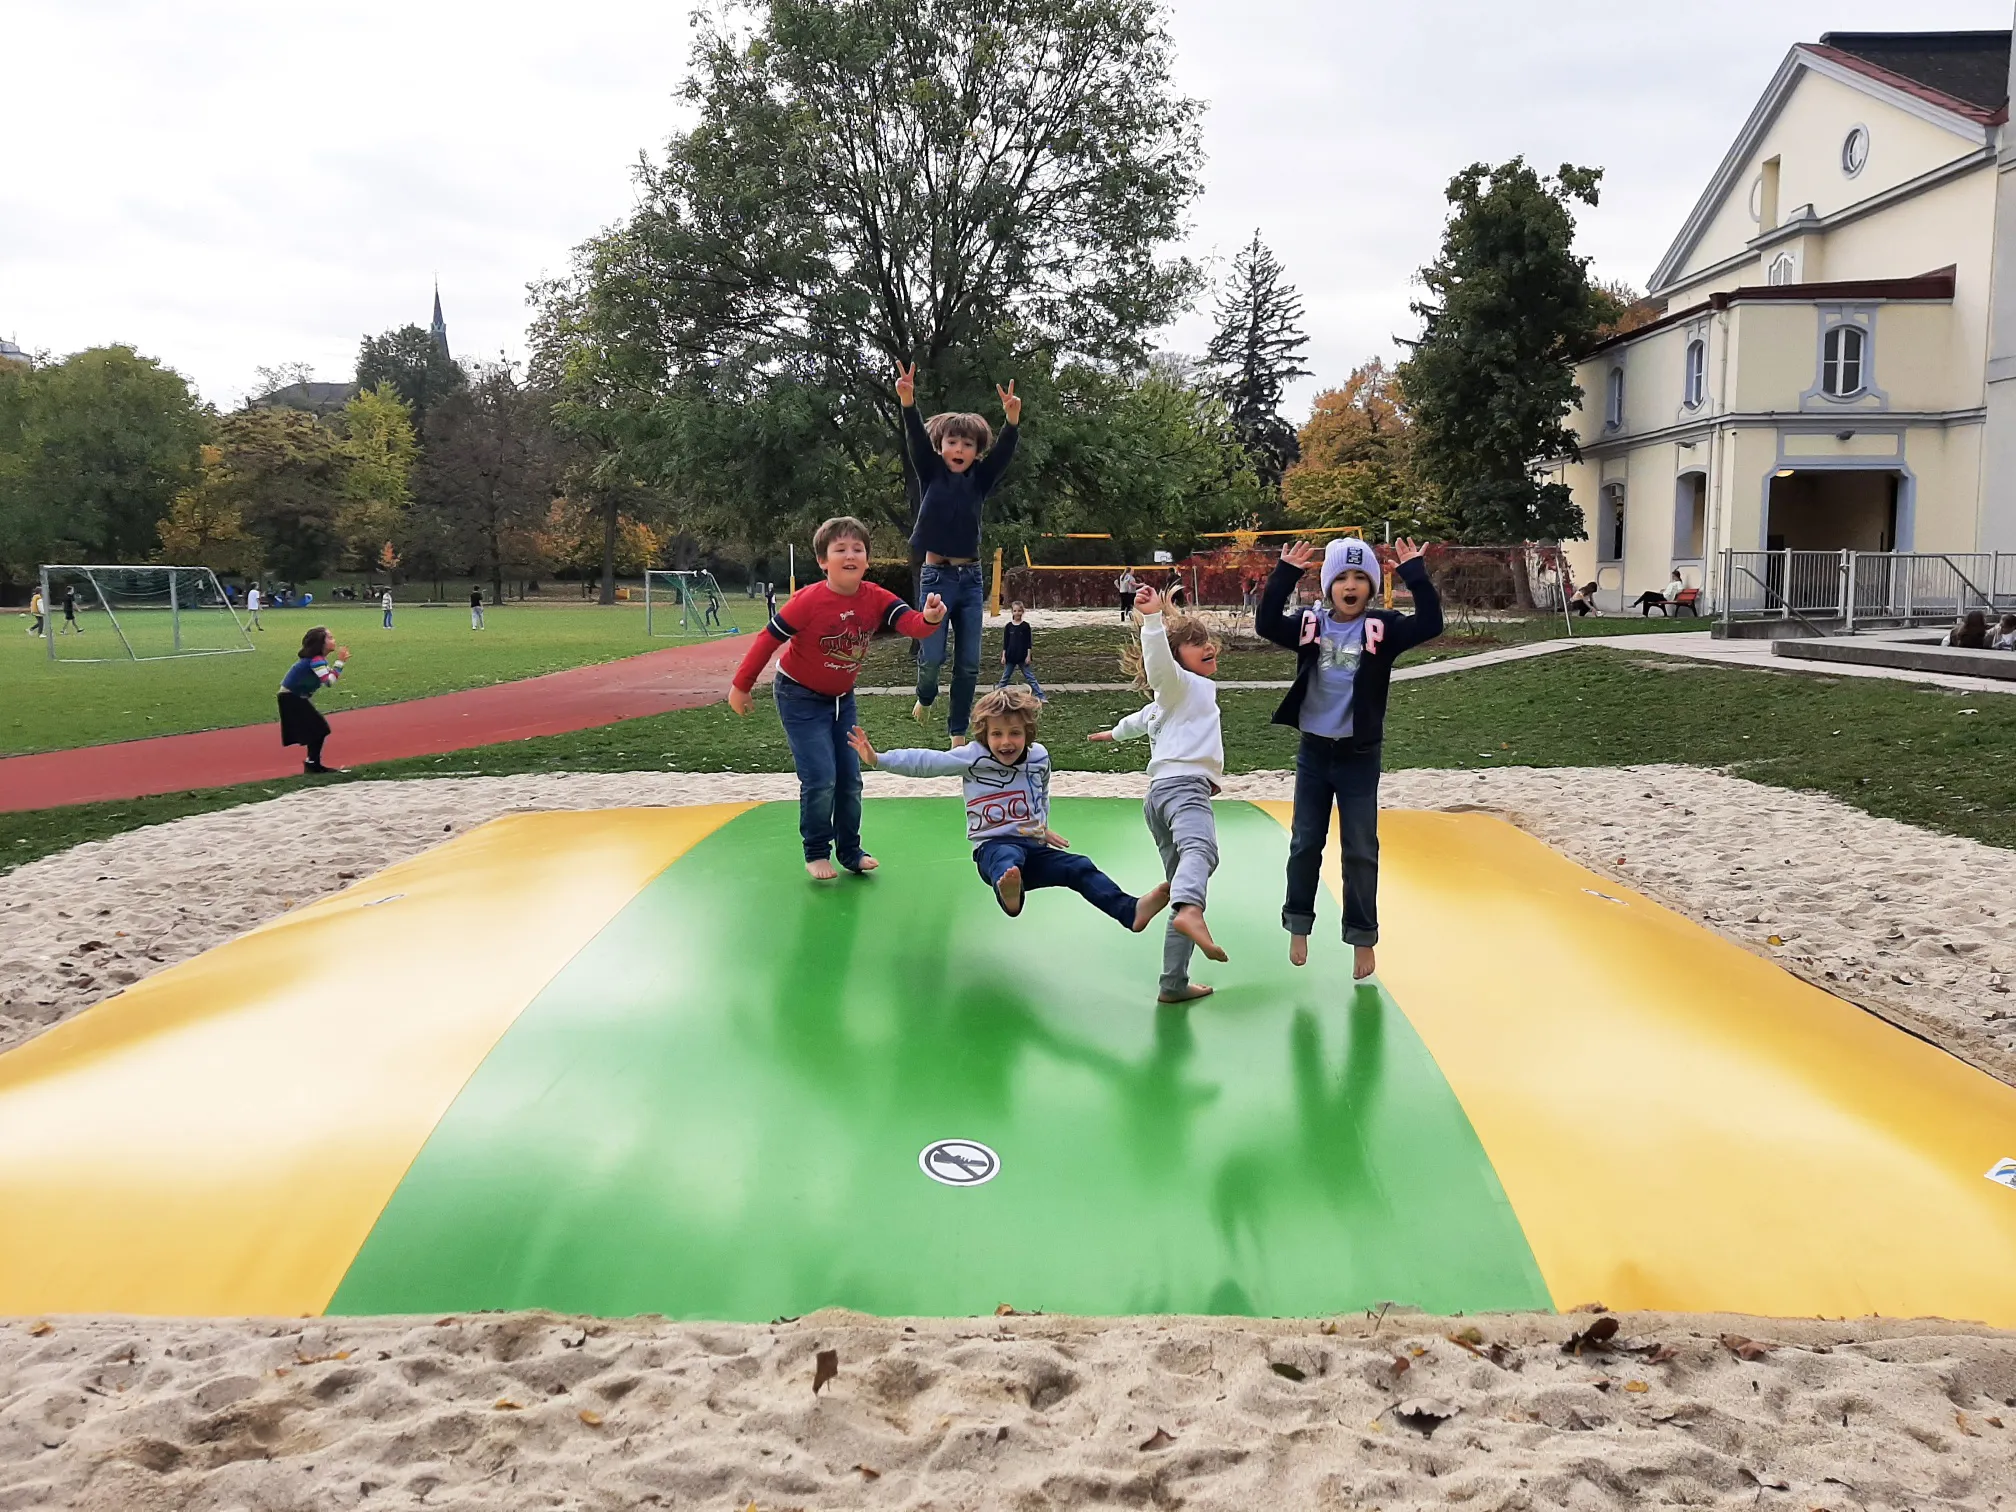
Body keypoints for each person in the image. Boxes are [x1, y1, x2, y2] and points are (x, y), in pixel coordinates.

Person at [1258, 536, 1442, 981]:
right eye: (1341, 576)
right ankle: (1298, 924)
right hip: (1315, 754)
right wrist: (1285, 574)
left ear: (1373, 587)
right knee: (1305, 843)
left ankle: (1362, 936)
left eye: (1360, 577)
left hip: (1359, 757)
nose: (1351, 585)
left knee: (1361, 848)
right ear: (1327, 586)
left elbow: (1432, 623)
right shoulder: (1310, 625)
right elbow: (1265, 623)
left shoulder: (1383, 628)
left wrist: (1415, 572)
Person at [728, 516, 946, 880]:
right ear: (823, 561)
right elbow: (768, 639)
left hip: (842, 700)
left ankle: (851, 851)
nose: (850, 555)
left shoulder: (876, 597)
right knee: (821, 777)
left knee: (849, 778)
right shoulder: (808, 601)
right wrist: (742, 684)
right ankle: (816, 851)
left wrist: (930, 618)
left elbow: (910, 623)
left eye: (857, 549)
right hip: (798, 696)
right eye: (840, 549)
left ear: (867, 559)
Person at [851, 688, 1170, 932]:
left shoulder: (1038, 757)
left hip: (1033, 848)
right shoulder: (972, 757)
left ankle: (1130, 911)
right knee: (1008, 858)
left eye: (1014, 733)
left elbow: (1040, 795)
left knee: (1079, 866)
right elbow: (927, 761)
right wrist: (879, 759)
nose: (1006, 742)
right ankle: (1009, 891)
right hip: (993, 851)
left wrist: (1041, 829)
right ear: (984, 735)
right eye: (997, 734)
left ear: (1027, 734)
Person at [1090, 584, 1227, 1004]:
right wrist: (1152, 620)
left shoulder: (1165, 704)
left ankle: (1173, 983)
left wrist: (1112, 733)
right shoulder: (1181, 685)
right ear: (1174, 657)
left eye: (1206, 641)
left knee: (1183, 876)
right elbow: (1160, 669)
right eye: (1194, 644)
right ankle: (1190, 911)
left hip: (1158, 798)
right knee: (1202, 852)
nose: (1206, 647)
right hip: (1185, 790)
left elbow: (1137, 720)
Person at [899, 362, 1022, 745]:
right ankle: (925, 695)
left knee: (968, 664)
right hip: (936, 579)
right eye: (952, 442)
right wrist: (908, 402)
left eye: (968, 445)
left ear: (975, 453)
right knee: (933, 657)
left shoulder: (980, 480)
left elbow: (1001, 455)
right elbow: (917, 439)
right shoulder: (930, 472)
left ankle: (957, 732)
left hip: (970, 581)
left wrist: (1012, 422)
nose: (959, 449)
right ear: (941, 447)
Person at [278, 626, 349, 775]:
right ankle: (313, 764)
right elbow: (328, 681)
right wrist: (340, 663)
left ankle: (313, 763)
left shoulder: (318, 660)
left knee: (317, 729)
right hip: (291, 697)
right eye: (329, 638)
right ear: (320, 643)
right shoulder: (316, 660)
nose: (333, 640)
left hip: (293, 697)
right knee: (320, 728)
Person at [997, 601, 1044, 698]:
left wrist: (1028, 656)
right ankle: (996, 696)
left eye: (1019, 611)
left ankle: (1040, 696)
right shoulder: (1008, 626)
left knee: (1030, 677)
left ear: (1022, 611)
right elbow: (1005, 643)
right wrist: (1003, 656)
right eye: (1015, 611)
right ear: (1012, 612)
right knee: (1005, 678)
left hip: (1022, 656)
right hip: (1010, 656)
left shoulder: (1025, 626)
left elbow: (1028, 643)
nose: (1017, 613)